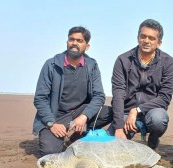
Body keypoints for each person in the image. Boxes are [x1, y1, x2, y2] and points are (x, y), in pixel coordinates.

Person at [33, 26, 113, 156]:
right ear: (67, 42)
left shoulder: (92, 65)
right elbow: (40, 98)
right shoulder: (51, 65)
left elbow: (99, 95)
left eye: (80, 40)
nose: (75, 43)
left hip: (78, 114)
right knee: (50, 153)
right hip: (56, 117)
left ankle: (77, 135)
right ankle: (62, 134)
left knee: (109, 113)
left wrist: (84, 117)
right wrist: (51, 123)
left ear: (87, 46)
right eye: (72, 39)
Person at [110, 19, 173, 150]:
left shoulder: (168, 62)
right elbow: (118, 93)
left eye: (151, 38)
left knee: (159, 120)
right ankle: (125, 130)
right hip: (126, 112)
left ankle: (153, 137)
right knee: (111, 145)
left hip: (152, 112)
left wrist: (137, 110)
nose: (146, 41)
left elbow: (164, 98)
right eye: (143, 36)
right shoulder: (123, 60)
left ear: (159, 43)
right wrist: (118, 127)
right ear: (138, 38)